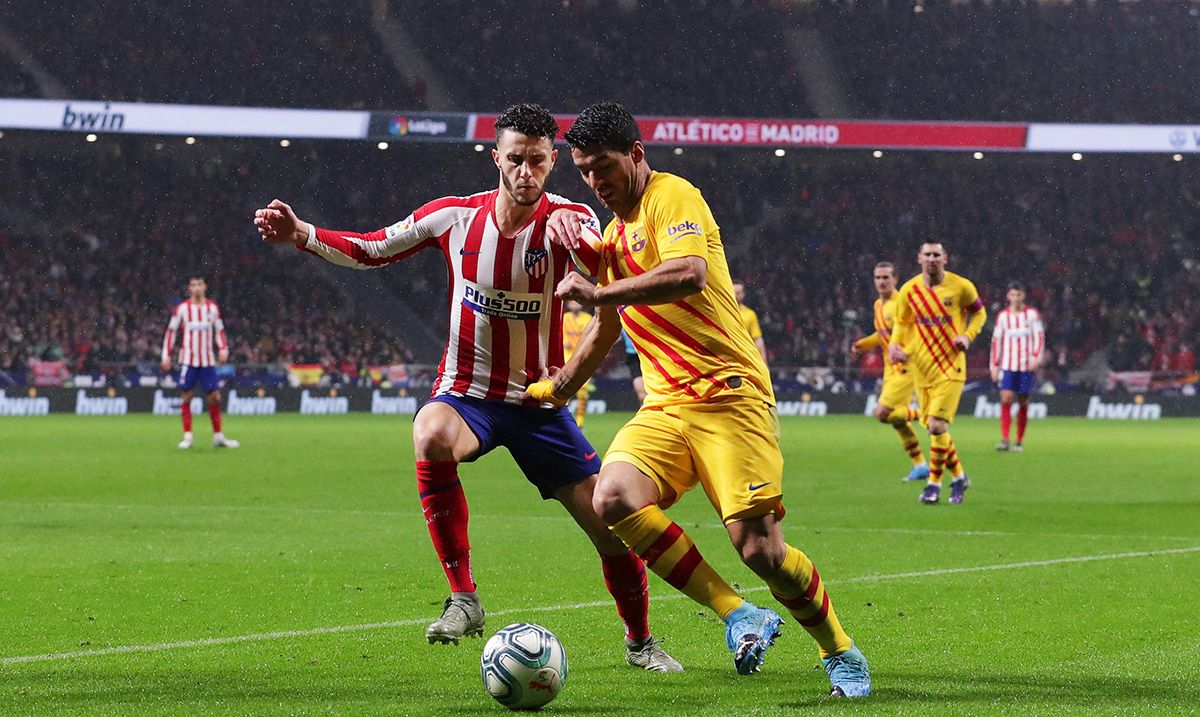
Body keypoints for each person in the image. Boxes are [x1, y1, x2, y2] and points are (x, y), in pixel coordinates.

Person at [253, 104, 680, 673]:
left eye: (537, 160)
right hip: (467, 394)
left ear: (553, 161)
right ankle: (464, 597)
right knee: (429, 432)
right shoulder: (454, 218)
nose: (525, 171)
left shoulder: (573, 217)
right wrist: (303, 234)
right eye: (515, 159)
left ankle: (640, 641)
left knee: (610, 530)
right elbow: (373, 248)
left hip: (539, 404)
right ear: (495, 158)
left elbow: (610, 278)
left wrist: (580, 242)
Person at [527, 102, 870, 696]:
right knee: (611, 497)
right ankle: (739, 614)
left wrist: (600, 288)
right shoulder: (612, 236)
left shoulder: (673, 196)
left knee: (760, 549)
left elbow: (689, 274)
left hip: (728, 395)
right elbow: (606, 327)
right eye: (583, 171)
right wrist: (560, 387)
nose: (595, 182)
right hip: (664, 406)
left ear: (636, 154)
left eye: (603, 166)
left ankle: (839, 649)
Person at [888, 243, 986, 505]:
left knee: (936, 426)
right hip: (922, 370)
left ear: (945, 258)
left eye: (936, 255)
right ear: (919, 258)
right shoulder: (909, 290)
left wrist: (968, 335)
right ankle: (959, 476)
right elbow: (902, 322)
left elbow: (979, 313)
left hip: (951, 368)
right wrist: (895, 346)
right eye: (927, 255)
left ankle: (933, 484)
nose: (932, 259)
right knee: (936, 431)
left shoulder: (960, 286)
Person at [851, 262, 928, 481]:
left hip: (906, 367)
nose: (881, 281)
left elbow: (916, 333)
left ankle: (930, 413)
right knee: (896, 419)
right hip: (889, 370)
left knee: (882, 413)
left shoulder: (901, 303)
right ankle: (920, 465)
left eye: (886, 277)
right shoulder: (878, 305)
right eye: (878, 277)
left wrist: (908, 352)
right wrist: (862, 344)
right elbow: (882, 335)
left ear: (895, 279)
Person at [160, 275, 239, 449]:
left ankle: (218, 437)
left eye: (199, 284)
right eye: (193, 285)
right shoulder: (181, 309)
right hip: (188, 361)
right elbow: (171, 332)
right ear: (189, 288)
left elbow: (220, 331)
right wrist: (166, 355)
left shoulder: (212, 308)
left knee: (215, 398)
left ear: (205, 287)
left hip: (207, 361)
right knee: (187, 396)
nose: (196, 288)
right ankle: (187, 437)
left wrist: (223, 349)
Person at [990, 282, 1045, 452]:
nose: (1015, 298)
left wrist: (1036, 358)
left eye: (1018, 295)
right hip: (1007, 365)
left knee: (1023, 401)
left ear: (1023, 296)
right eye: (1013, 295)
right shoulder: (1003, 317)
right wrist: (994, 365)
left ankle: (1019, 441)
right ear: (1008, 296)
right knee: (1005, 398)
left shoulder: (1032, 315)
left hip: (1026, 365)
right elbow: (996, 341)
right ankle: (1005, 440)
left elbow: (1039, 338)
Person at [561, 300, 593, 427]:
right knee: (564, 389)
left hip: (583, 356)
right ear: (568, 304)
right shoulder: (564, 318)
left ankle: (580, 421)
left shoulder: (588, 318)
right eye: (572, 302)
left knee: (582, 392)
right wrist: (563, 341)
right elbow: (558, 333)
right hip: (567, 356)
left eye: (577, 302)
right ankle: (565, 419)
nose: (575, 304)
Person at [733, 281, 768, 365]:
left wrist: (764, 362)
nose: (735, 295)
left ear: (743, 294)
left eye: (738, 293)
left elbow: (757, 339)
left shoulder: (750, 314)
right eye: (732, 292)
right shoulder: (723, 311)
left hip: (745, 357)